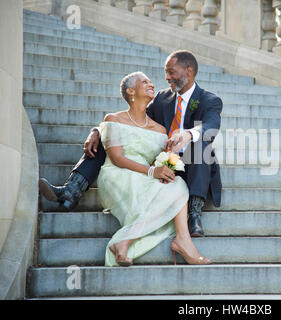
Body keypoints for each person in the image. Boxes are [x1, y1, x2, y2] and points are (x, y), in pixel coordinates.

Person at [39, 50, 223, 238]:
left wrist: (189, 134)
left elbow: (211, 127)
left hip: (192, 167)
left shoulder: (210, 100)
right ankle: (72, 189)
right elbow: (132, 122)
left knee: (201, 146)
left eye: (171, 72)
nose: (167, 77)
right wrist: (98, 129)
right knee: (112, 133)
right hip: (158, 161)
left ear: (189, 71)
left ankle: (194, 215)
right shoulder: (162, 99)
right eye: (166, 72)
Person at [96, 71, 210, 266]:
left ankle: (176, 240)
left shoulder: (159, 129)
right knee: (172, 192)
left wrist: (168, 158)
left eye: (151, 81)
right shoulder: (114, 119)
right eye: (144, 82)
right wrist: (151, 172)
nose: (151, 84)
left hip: (145, 173)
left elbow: (157, 159)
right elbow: (117, 158)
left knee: (178, 184)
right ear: (131, 91)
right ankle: (176, 241)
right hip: (118, 174)